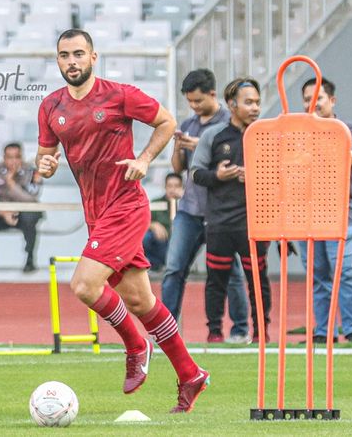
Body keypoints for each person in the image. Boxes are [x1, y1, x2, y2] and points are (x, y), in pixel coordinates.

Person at [36, 29, 209, 413]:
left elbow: (165, 122)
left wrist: (144, 159)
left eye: (79, 54)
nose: (71, 61)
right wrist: (45, 165)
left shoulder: (119, 95)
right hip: (96, 214)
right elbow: (45, 156)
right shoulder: (50, 107)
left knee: (83, 285)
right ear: (58, 60)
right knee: (139, 299)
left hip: (127, 207)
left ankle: (135, 345)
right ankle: (190, 373)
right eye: (64, 55)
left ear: (94, 57)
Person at [160, 69, 251, 344]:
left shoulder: (230, 123)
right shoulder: (188, 124)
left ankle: (240, 329)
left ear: (213, 94)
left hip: (221, 212)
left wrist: (198, 144)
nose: (194, 107)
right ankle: (165, 330)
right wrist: (178, 147)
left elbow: (227, 155)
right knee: (174, 268)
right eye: (190, 102)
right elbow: (179, 170)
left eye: (198, 101)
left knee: (231, 273)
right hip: (189, 209)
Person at [190, 77, 273, 343]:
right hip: (220, 223)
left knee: (258, 281)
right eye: (248, 102)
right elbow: (195, 174)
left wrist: (257, 176)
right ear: (231, 104)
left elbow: (280, 174)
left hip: (254, 224)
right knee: (216, 281)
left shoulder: (266, 135)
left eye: (257, 102)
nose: (255, 108)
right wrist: (219, 175)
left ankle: (261, 332)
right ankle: (214, 333)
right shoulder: (213, 136)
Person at [295, 77, 352, 343]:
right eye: (306, 99)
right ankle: (324, 331)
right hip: (308, 217)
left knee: (345, 272)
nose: (311, 105)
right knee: (319, 276)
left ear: (331, 101)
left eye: (318, 98)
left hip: (341, 215)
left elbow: (343, 161)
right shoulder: (297, 132)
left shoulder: (348, 129)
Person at [0, 142, 43, 273]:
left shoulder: (32, 172)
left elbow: (31, 199)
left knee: (30, 217)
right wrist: (2, 212)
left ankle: (30, 260)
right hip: (1, 214)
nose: (13, 161)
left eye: (17, 157)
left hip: (24, 214)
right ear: (4, 158)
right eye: (10, 157)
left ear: (22, 157)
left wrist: (11, 183)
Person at [143, 173, 182, 271]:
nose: (173, 189)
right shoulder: (156, 203)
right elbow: (141, 222)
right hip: (161, 244)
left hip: (181, 246)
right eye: (170, 186)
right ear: (165, 187)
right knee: (145, 237)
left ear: (182, 187)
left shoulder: (186, 204)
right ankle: (156, 265)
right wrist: (153, 225)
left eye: (176, 186)